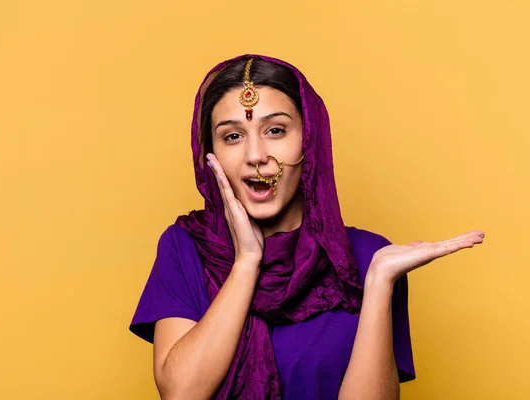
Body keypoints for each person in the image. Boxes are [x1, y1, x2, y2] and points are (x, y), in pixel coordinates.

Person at [129, 54, 485, 400]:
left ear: (309, 141)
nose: (255, 155)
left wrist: (377, 283)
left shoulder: (368, 258)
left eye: (276, 130)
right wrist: (246, 262)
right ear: (210, 154)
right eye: (232, 136)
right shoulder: (185, 247)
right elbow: (180, 393)